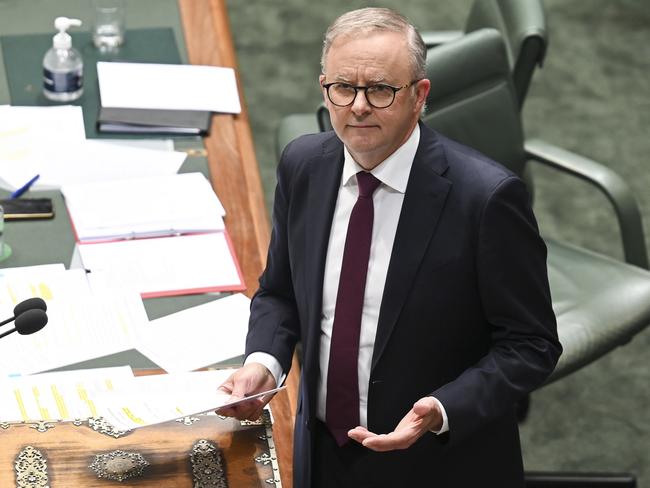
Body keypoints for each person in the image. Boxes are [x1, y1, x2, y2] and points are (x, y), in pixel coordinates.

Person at [218, 7, 562, 488]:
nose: (358, 106)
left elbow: (532, 345)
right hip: (321, 450)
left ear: (419, 95)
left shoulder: (485, 199)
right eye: (343, 88)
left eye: (380, 89)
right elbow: (279, 292)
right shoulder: (304, 165)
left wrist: (441, 411)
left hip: (434, 460)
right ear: (324, 87)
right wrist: (264, 363)